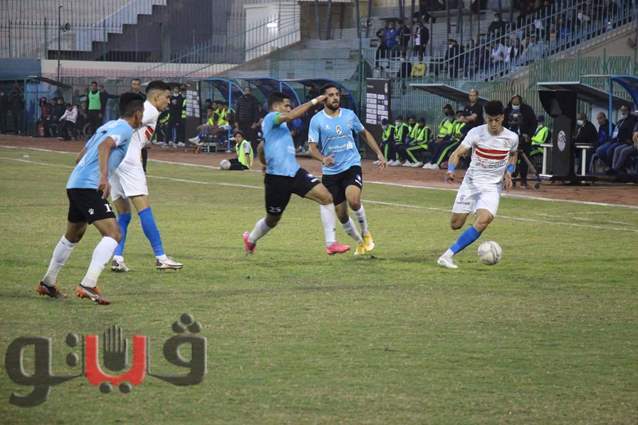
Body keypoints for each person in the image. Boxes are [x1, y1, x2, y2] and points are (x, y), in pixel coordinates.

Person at [36, 93, 145, 305]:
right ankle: (88, 284)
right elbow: (105, 146)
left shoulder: (107, 125)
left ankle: (48, 283)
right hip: (88, 186)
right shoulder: (124, 129)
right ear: (137, 114)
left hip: (75, 183)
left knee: (73, 236)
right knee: (114, 233)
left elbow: (80, 156)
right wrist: (103, 177)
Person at [242, 92, 351, 256]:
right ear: (275, 106)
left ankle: (331, 244)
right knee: (272, 219)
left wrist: (264, 163)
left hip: (295, 173)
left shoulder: (280, 127)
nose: (289, 108)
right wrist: (315, 100)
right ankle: (250, 240)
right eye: (286, 105)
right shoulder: (271, 118)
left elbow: (261, 147)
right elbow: (291, 116)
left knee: (326, 197)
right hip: (276, 179)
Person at [109, 81, 183, 272]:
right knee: (144, 209)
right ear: (156, 97)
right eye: (167, 97)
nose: (169, 101)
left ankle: (117, 257)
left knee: (124, 214)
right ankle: (161, 257)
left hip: (116, 160)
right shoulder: (149, 110)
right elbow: (124, 125)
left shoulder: (145, 110)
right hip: (129, 160)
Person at [437, 100, 518, 269]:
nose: (493, 124)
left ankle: (447, 256)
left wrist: (509, 172)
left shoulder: (511, 137)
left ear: (502, 117)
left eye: (497, 120)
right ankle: (471, 216)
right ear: (485, 117)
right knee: (455, 225)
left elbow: (513, 155)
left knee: (484, 220)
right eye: (490, 120)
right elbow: (457, 153)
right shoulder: (475, 133)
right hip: (471, 184)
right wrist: (451, 170)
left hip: (492, 187)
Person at [307, 84, 386, 255]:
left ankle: (366, 233)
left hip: (351, 165)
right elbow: (312, 148)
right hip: (330, 173)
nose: (335, 97)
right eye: (330, 95)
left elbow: (364, 133)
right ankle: (360, 242)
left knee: (354, 200)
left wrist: (379, 153)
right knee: (341, 215)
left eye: (337, 94)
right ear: (323, 99)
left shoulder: (349, 115)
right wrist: (323, 159)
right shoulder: (317, 120)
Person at [127, 78, 149, 172]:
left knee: (143, 146)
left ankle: (144, 167)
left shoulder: (143, 97)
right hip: (129, 123)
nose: (135, 86)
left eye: (136, 84)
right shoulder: (127, 96)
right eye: (133, 84)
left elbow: (146, 110)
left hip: (140, 123)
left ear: (139, 86)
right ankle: (129, 166)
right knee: (128, 144)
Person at [235, 86, 261, 152]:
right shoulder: (240, 99)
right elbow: (237, 111)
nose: (247, 92)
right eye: (245, 91)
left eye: (248, 91)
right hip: (241, 122)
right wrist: (236, 122)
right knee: (242, 137)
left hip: (251, 122)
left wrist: (255, 122)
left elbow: (256, 112)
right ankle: (242, 152)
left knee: (252, 138)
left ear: (250, 92)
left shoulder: (254, 100)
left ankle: (253, 152)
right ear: (243, 92)